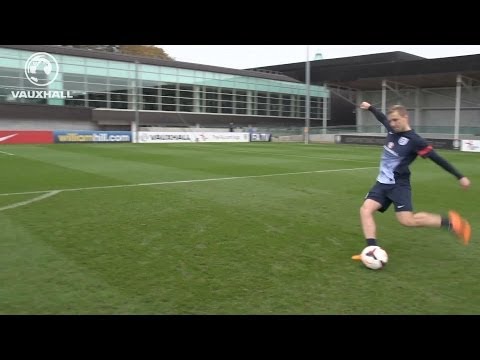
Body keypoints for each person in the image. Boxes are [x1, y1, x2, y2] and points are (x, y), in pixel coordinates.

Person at [352, 101, 471, 261]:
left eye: (396, 120)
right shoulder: (391, 129)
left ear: (405, 117)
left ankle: (452, 223)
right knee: (365, 210)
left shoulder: (415, 140)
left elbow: (437, 159)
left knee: (407, 221)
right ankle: (372, 249)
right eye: (391, 121)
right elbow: (381, 118)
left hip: (399, 186)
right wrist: (370, 107)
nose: (392, 124)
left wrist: (459, 176)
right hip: (382, 184)